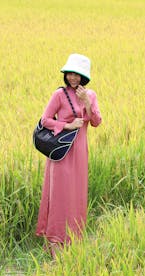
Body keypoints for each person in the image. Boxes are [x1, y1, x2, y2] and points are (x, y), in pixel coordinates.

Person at [35, 53, 102, 256]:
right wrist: (66, 125)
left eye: (77, 74)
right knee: (59, 197)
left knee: (76, 195)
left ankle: (73, 240)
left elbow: (97, 121)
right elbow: (45, 120)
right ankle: (54, 243)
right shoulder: (59, 95)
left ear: (84, 77)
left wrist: (87, 104)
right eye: (69, 74)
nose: (72, 78)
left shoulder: (90, 95)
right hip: (61, 153)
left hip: (80, 153)